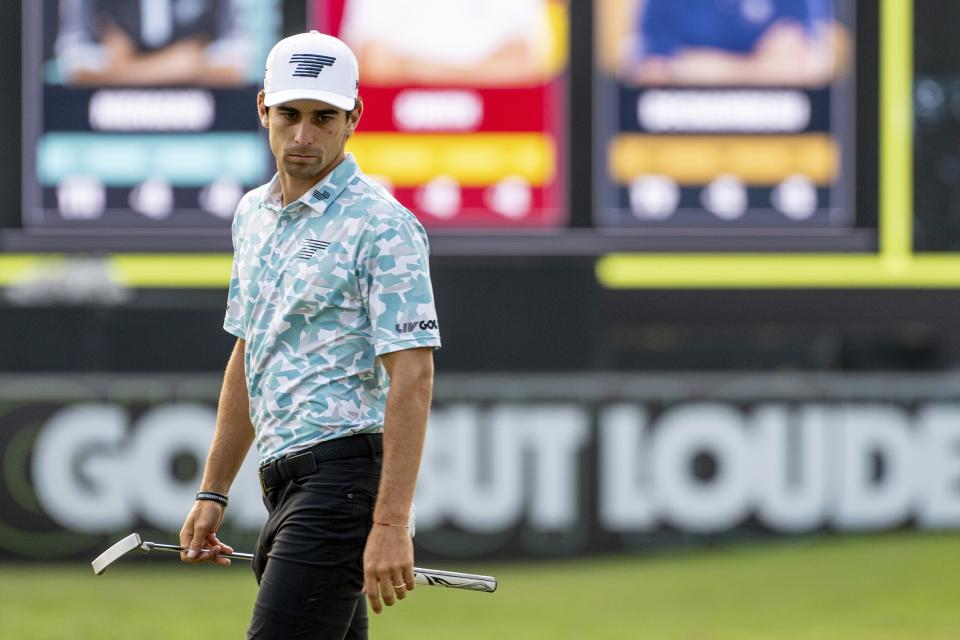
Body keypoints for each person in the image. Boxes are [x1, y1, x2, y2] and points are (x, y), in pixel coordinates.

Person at [177, 30, 442, 639]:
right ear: (263, 109)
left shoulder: (383, 226)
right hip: (284, 485)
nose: (303, 136)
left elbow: (413, 372)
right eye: (290, 115)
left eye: (324, 118)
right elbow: (250, 352)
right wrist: (213, 491)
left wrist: (390, 523)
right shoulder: (252, 215)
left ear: (354, 119)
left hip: (344, 486)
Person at [621, 0, 849, 87]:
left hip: (779, 133)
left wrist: (688, 66)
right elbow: (651, 71)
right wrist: (759, 68)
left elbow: (805, 65)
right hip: (683, 134)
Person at [55, 0, 248, 86]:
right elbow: (75, 68)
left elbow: (233, 67)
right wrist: (179, 64)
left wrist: (123, 66)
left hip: (203, 128)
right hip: (105, 127)